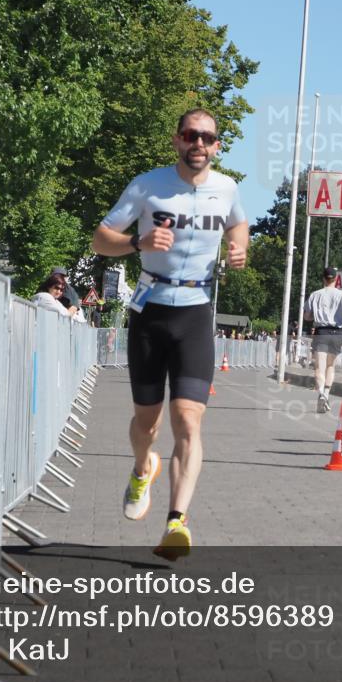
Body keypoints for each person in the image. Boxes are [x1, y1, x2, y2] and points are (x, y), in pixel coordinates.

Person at [91, 108, 247, 560]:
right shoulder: (147, 185)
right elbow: (101, 238)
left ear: (217, 146)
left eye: (207, 138)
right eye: (190, 135)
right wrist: (137, 243)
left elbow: (238, 223)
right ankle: (143, 468)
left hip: (195, 312)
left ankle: (176, 522)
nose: (199, 144)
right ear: (177, 140)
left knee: (188, 419)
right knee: (148, 423)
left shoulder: (227, 189)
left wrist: (239, 248)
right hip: (151, 310)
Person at [304, 267, 342, 413]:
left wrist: (313, 317)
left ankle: (321, 393)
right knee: (330, 366)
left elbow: (306, 316)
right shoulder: (341, 294)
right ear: (336, 279)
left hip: (321, 332)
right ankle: (326, 394)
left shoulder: (315, 295)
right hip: (337, 333)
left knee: (319, 367)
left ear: (323, 279)